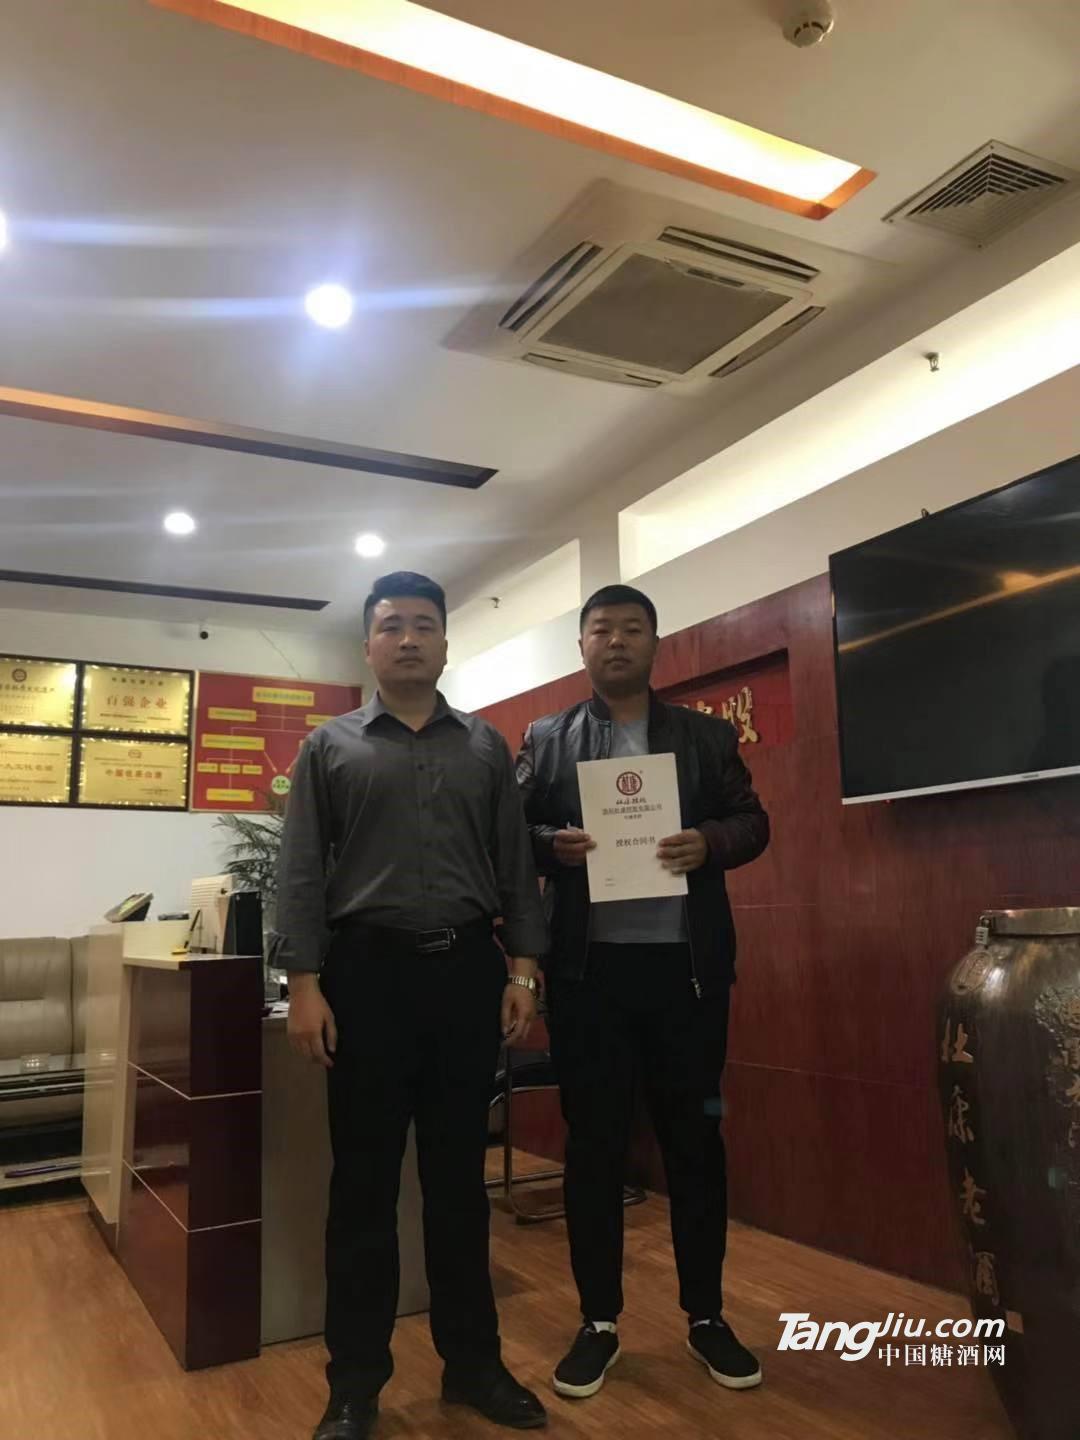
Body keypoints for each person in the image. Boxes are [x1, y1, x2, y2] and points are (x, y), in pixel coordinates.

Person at [272, 571, 549, 1440]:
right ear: (368, 645)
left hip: (466, 974)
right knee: (362, 1190)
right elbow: (300, 872)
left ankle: (474, 1366)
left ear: (444, 642)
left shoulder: (485, 747)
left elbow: (514, 865)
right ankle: (354, 1387)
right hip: (366, 979)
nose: (408, 638)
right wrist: (305, 985)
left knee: (459, 1185)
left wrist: (524, 972)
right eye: (391, 625)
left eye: (423, 624)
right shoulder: (329, 748)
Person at [515, 583, 770, 1402]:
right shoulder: (547, 739)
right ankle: (598, 1322)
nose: (617, 641)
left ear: (656, 644)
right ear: (582, 647)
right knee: (593, 1146)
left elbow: (754, 821)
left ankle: (707, 1316)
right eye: (602, 630)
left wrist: (710, 841)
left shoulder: (704, 735)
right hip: (589, 976)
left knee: (695, 1143)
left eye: (632, 629)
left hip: (686, 974)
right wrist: (551, 844)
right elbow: (508, 835)